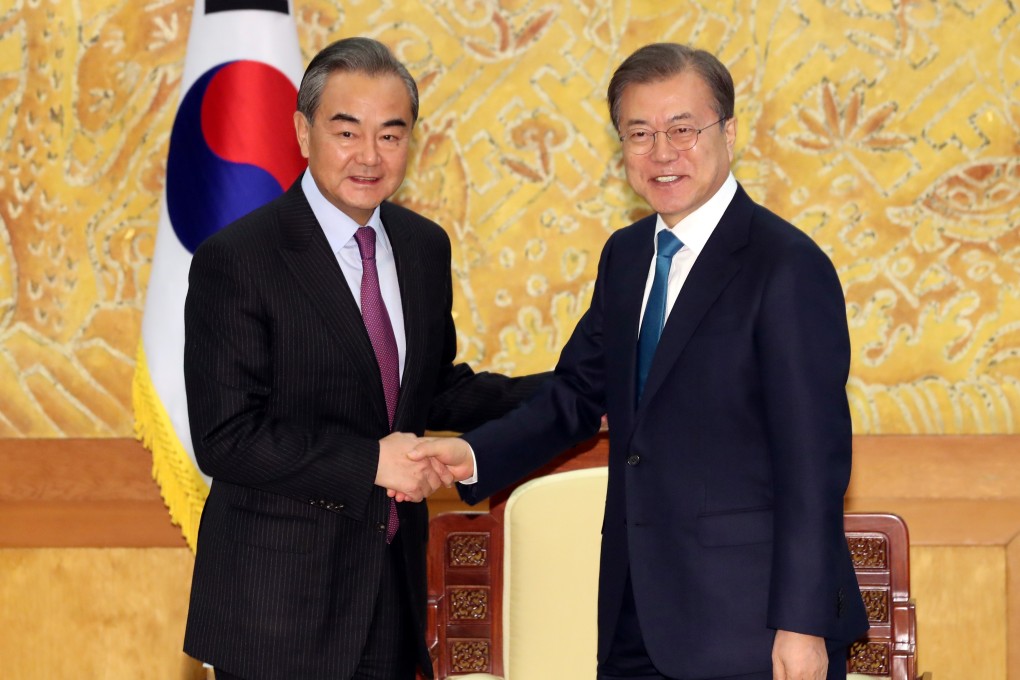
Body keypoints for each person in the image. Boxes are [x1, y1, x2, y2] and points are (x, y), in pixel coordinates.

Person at [410, 43, 869, 680]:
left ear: (729, 133)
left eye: (683, 129)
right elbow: (576, 393)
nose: (662, 152)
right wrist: (473, 455)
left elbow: (813, 463)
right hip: (634, 613)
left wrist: (802, 624)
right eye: (640, 133)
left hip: (752, 626)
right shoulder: (626, 257)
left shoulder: (786, 266)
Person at [181, 37, 544, 680]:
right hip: (278, 610)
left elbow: (430, 390)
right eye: (347, 132)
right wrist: (371, 461)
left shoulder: (423, 246)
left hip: (391, 595)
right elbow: (226, 437)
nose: (370, 156)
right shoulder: (238, 259)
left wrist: (576, 391)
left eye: (390, 135)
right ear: (303, 131)